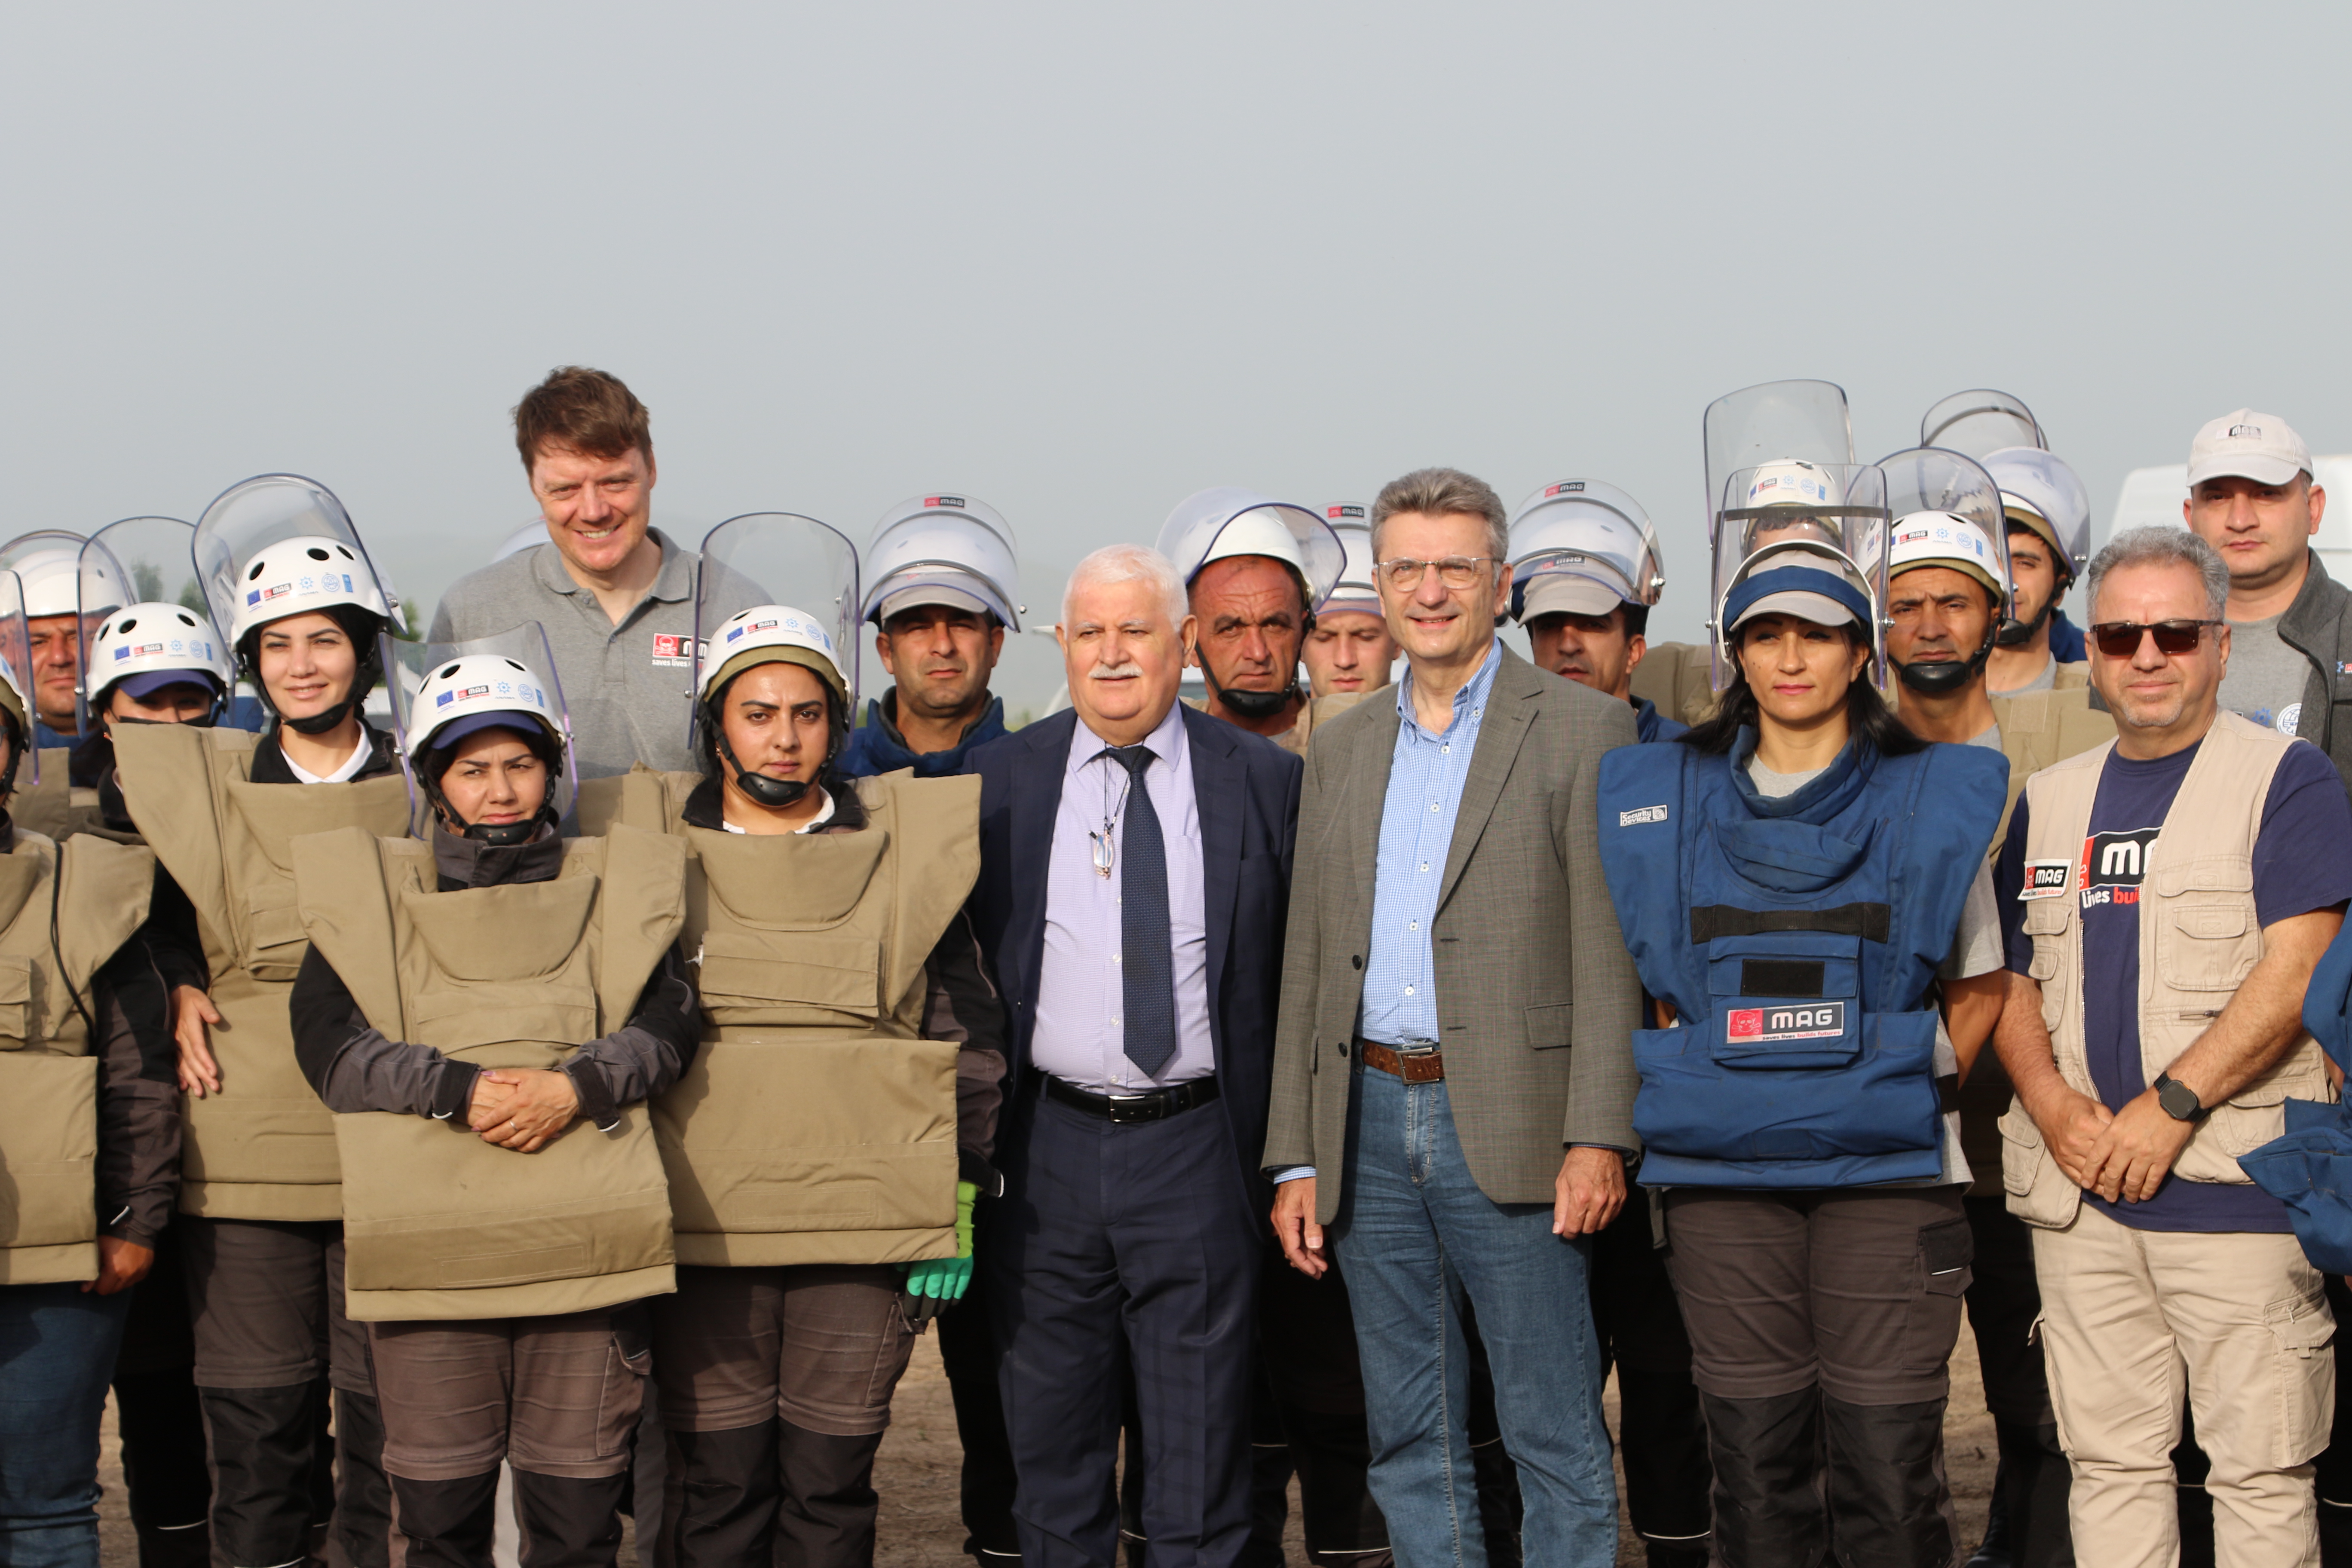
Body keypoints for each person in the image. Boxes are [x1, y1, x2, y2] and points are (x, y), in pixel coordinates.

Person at [1596, 401, 2012, 1566]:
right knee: (1761, 1470)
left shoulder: (1932, 795)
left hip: (1887, 1177)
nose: (1791, 656)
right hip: (1726, 1181)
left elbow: (1980, 986)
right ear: (1732, 646)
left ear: (1861, 649)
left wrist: (1876, 1074)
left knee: (1888, 1471)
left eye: (1819, 632)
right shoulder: (1660, 798)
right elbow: (1644, 980)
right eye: (1766, 630)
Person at [577, 559, 1007, 1568]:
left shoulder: (902, 851)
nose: (783, 735)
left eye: (808, 713)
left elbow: (965, 1038)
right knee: (717, 1489)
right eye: (758, 711)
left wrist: (956, 1192)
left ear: (836, 722)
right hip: (700, 1225)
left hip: (856, 1231)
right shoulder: (644, 845)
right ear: (716, 724)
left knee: (827, 1487)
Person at [1264, 465, 1640, 1568]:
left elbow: (1606, 952)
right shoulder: (1337, 745)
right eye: (1408, 569)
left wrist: (1598, 1134)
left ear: (1500, 581)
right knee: (1408, 1437)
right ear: (1378, 583)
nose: (1429, 592)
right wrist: (1294, 1152)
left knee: (1552, 1430)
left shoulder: (1584, 729)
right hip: (1366, 1125)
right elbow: (1307, 961)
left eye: (1455, 568)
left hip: (1520, 1126)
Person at [286, 637, 697, 1568]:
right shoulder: (373, 901)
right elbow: (331, 1052)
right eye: (473, 769)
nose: (501, 790)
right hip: (432, 1262)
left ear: (553, 771)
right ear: (434, 783)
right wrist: (457, 1091)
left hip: (586, 1254)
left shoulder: (617, 891)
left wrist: (574, 1087)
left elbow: (670, 1027)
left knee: (578, 1523)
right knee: (437, 1527)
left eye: (520, 765)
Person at [1990, 523, 2349, 1566]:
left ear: (2220, 642)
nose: (2146, 656)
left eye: (2174, 634)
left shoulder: (2286, 782)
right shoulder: (2048, 800)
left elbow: (2294, 972)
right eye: (2118, 637)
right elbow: (2009, 979)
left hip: (2234, 1204)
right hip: (2081, 1205)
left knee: (2258, 1480)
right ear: (2089, 652)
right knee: (2105, 1471)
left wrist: (2169, 1108)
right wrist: (2055, 1109)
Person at [963, 542, 1302, 1567]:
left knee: (1199, 1469)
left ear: (1184, 644)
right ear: (1061, 646)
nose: (1112, 655)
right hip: (1047, 1153)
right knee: (1051, 1463)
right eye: (1090, 634)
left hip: (1199, 1149)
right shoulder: (993, 782)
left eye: (1136, 631)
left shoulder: (1266, 784)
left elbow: (1296, 974)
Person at [112, 475, 410, 1568]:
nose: (301, 663)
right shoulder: (207, 790)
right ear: (250, 662)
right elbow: (147, 919)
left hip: (400, 1139)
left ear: (364, 647)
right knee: (259, 1429)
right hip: (245, 1141)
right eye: (275, 643)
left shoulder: (431, 779)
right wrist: (179, 973)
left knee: (392, 1436)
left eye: (324, 638)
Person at [1875, 455, 2096, 1568]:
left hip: (2028, 1133)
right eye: (1904, 606)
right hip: (1886, 1138)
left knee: (2038, 1406)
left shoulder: (2065, 746)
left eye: (1951, 601)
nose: (1926, 627)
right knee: (1890, 1418)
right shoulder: (1843, 754)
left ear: (1998, 609)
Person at [1502, 478, 1710, 1568]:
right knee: (1538, 1397)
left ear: (1637, 636)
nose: (1569, 642)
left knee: (1671, 1389)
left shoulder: (1700, 769)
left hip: (1668, 1140)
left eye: (1594, 622)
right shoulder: (1476, 772)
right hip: (1532, 1138)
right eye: (1549, 624)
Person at [0, 607, 186, 1568]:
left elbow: (140, 1071)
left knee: (45, 1507)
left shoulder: (79, 884)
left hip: (58, 1265)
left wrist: (134, 1219)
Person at [428, 366, 762, 777]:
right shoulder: (473, 612)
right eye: (565, 489)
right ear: (534, 485)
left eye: (615, 483)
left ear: (652, 468)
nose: (593, 511)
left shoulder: (741, 610)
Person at [2173, 409, 2352, 778]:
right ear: (2191, 518)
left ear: (2313, 508)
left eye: (2266, 494)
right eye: (2219, 496)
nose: (2241, 519)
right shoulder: (2136, 643)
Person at [839, 492, 1020, 778]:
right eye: (919, 627)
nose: (943, 646)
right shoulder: (830, 775)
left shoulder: (1038, 775)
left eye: (961, 625)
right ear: (886, 652)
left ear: (995, 645)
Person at [1155, 488, 1344, 755]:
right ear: (1189, 642)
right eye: (1231, 629)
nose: (1257, 652)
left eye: (1274, 625)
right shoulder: (1161, 741)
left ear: (1303, 633)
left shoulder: (1361, 734)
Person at [1982, 449, 2095, 699]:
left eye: (2026, 563)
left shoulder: (2100, 698)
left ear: (2061, 585)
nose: (2007, 581)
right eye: (1993, 559)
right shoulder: (1901, 695)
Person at [1301, 506, 1395, 704]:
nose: (1345, 660)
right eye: (1324, 638)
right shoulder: (1253, 735)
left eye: (1365, 637)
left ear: (1399, 642)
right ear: (1297, 646)